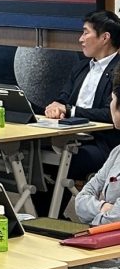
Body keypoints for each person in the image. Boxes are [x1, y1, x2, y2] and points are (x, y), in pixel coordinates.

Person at [43, 9, 120, 179]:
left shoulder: (118, 70)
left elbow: (110, 113)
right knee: (35, 155)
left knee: (66, 162)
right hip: (69, 137)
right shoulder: (81, 67)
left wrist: (71, 111)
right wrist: (55, 107)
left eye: (86, 33)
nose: (81, 39)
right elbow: (63, 98)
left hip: (102, 143)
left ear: (105, 37)